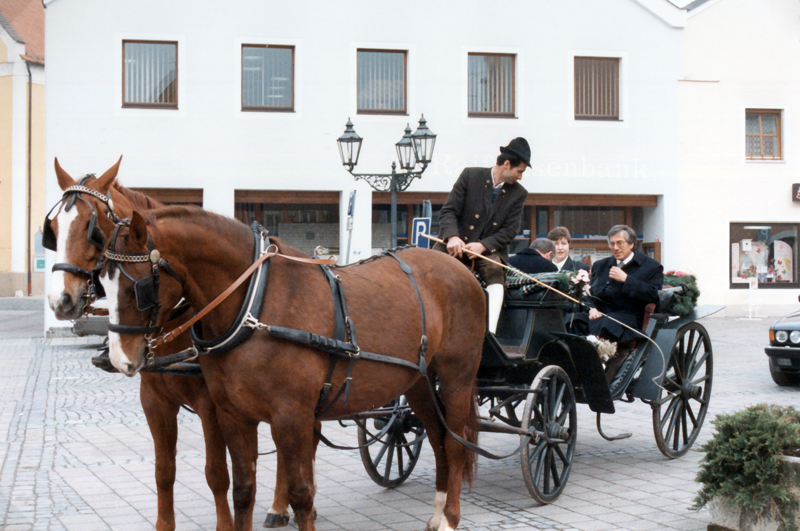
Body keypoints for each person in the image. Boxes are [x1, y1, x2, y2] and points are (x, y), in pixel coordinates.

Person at [435, 137, 530, 333]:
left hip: (487, 251)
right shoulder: (470, 176)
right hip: (454, 244)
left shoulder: (519, 193)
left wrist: (483, 245)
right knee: (431, 266)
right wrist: (452, 237)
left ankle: (491, 334)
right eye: (519, 171)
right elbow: (448, 211)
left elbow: (509, 231)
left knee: (495, 272)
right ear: (506, 164)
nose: (520, 177)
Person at [581, 225, 663, 380]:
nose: (615, 247)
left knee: (606, 323)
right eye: (612, 243)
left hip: (629, 317)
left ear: (631, 244)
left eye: (620, 243)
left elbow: (654, 295)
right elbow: (589, 293)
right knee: (574, 320)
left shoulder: (651, 266)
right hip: (599, 314)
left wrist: (627, 279)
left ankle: (601, 367)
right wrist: (591, 308)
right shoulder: (601, 265)